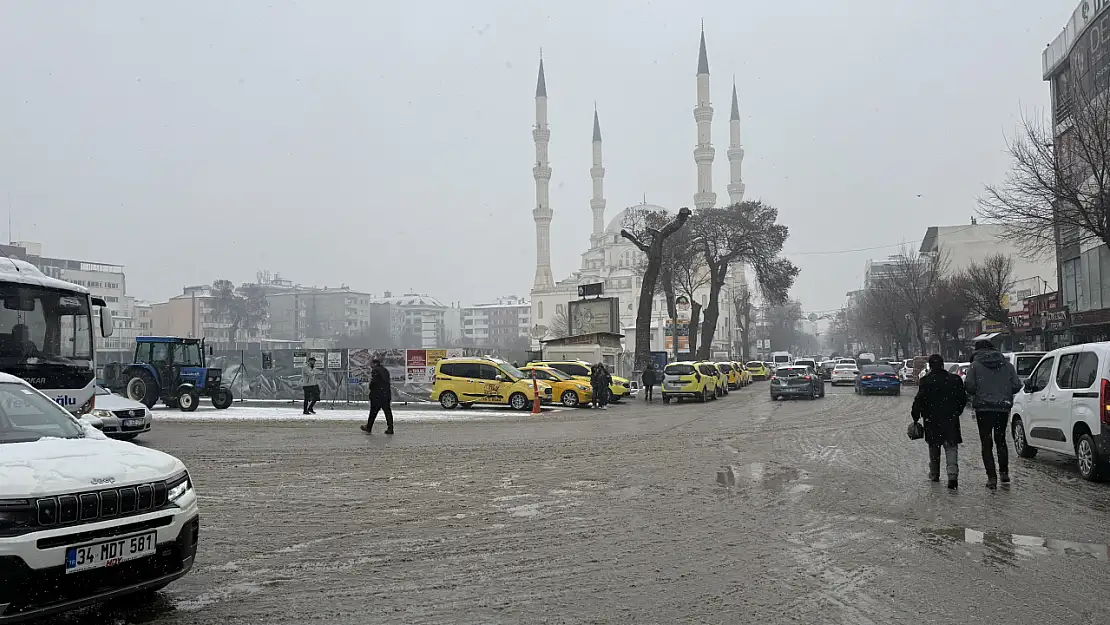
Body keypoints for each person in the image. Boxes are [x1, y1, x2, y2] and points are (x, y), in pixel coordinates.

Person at [964, 339, 1023, 489]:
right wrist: (1004, 392)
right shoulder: (1007, 366)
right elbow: (1017, 385)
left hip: (983, 409)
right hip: (1002, 408)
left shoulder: (975, 366)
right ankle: (1004, 472)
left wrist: (979, 392)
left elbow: (969, 386)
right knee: (1001, 440)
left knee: (986, 442)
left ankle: (992, 477)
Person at [911, 354, 967, 489]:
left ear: (930, 366)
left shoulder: (926, 381)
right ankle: (952, 476)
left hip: (932, 421)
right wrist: (957, 411)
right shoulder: (955, 379)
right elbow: (963, 399)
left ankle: (935, 474)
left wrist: (916, 416)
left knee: (934, 447)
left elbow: (919, 400)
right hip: (950, 419)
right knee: (951, 447)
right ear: (942, 365)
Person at [361, 358, 394, 434]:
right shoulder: (385, 370)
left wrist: (370, 386)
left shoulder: (375, 370)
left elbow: (374, 382)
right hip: (386, 394)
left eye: (371, 364)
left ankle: (368, 427)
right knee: (388, 412)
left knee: (373, 412)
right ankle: (390, 428)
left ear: (375, 364)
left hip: (377, 395)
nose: (371, 366)